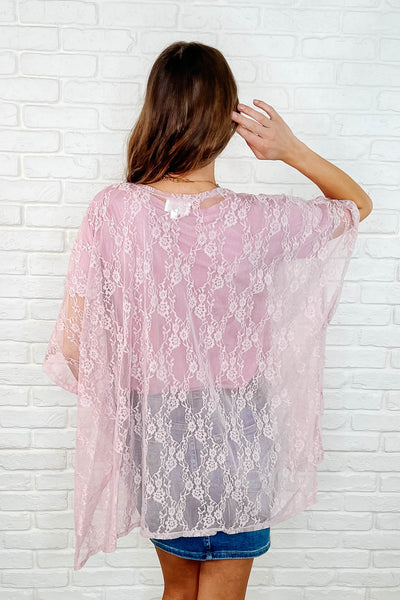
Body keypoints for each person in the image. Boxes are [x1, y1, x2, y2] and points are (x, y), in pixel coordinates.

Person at [42, 41, 372, 600]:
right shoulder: (259, 220)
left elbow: (74, 348)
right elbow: (356, 205)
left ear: (154, 111)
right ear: (225, 122)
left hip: (158, 424)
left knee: (177, 591)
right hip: (239, 425)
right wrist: (289, 150)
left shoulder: (111, 211)